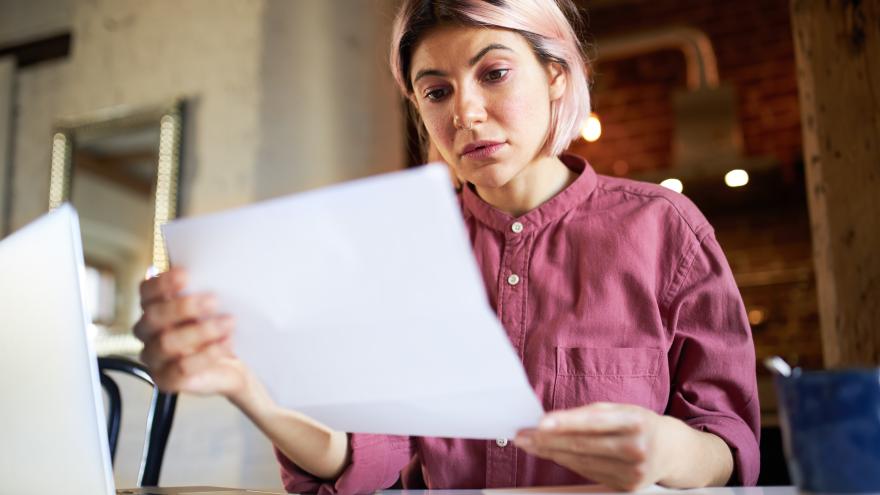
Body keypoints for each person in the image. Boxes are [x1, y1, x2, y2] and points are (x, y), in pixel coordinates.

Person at [133, 0, 760, 492]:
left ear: (558, 77)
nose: (466, 113)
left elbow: (728, 446)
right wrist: (248, 389)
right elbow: (368, 456)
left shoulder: (665, 229)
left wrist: (668, 449)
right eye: (436, 91)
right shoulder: (402, 252)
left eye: (494, 73)